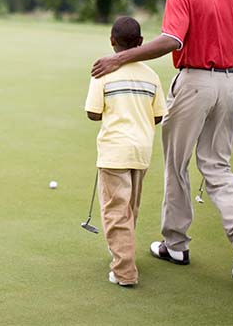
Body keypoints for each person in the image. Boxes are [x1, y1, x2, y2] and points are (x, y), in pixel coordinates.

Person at [91, 0, 233, 281]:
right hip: (229, 82)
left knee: (176, 163)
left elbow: (172, 40)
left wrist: (119, 58)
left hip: (195, 82)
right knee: (217, 164)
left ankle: (175, 244)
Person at [85, 16, 168, 287]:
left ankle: (124, 271)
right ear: (141, 43)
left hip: (114, 152)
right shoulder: (152, 76)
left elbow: (93, 113)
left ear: (112, 41)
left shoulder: (103, 71)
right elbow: (158, 116)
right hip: (141, 152)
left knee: (115, 211)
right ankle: (124, 252)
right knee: (129, 208)